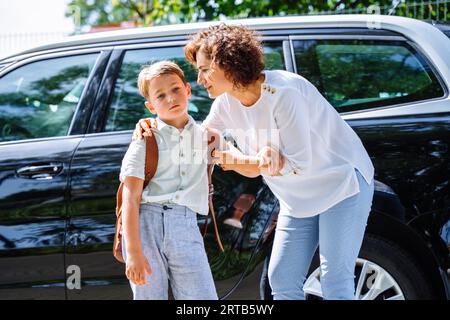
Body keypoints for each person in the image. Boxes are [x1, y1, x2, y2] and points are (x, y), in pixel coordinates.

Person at [134, 24, 375, 300]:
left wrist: (242, 160)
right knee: (282, 280)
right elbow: (198, 140)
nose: (200, 79)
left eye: (204, 69)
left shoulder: (284, 93)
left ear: (228, 63)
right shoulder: (226, 103)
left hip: (342, 184)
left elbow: (298, 165)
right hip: (298, 199)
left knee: (334, 280)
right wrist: (153, 126)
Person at [120, 60, 217, 300]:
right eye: (160, 96)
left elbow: (238, 157)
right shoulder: (145, 138)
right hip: (146, 225)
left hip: (186, 224)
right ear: (151, 106)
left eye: (175, 89)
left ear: (188, 90)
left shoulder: (207, 137)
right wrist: (133, 253)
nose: (171, 98)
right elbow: (130, 197)